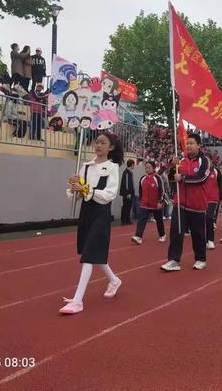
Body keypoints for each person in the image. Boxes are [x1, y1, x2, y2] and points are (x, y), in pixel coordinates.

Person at [60, 132, 124, 314]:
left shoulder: (112, 167)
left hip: (101, 213)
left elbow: (110, 194)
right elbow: (77, 193)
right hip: (86, 212)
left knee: (89, 255)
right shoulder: (86, 166)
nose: (98, 145)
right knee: (92, 251)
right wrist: (74, 188)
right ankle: (114, 280)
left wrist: (86, 189)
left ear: (110, 147)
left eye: (103, 143)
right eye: (97, 142)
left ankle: (78, 301)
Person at [161, 133, 210, 272]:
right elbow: (171, 178)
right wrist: (173, 166)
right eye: (187, 143)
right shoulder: (181, 160)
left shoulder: (204, 161)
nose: (188, 146)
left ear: (199, 145)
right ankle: (173, 260)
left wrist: (182, 178)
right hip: (180, 204)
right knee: (176, 232)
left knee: (198, 234)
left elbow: (201, 178)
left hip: (197, 205)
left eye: (191, 143)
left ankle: (201, 259)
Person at [131, 161, 165, 244]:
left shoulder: (157, 178)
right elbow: (140, 191)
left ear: (153, 168)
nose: (147, 169)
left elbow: (162, 191)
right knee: (141, 220)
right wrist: (141, 201)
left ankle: (162, 235)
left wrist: (160, 202)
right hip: (145, 204)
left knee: (159, 220)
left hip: (155, 204)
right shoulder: (143, 178)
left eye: (149, 167)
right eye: (146, 167)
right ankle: (138, 237)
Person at [204, 162, 222, 249]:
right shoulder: (202, 171)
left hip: (213, 199)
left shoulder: (217, 171)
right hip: (202, 198)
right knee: (202, 220)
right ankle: (204, 241)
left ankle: (210, 240)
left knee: (209, 218)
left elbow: (221, 185)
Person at [120, 159, 135, 225]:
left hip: (130, 193)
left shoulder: (130, 172)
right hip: (127, 194)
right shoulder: (126, 173)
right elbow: (126, 184)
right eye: (133, 164)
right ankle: (123, 220)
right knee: (125, 206)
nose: (134, 166)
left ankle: (127, 219)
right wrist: (128, 193)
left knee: (128, 207)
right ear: (131, 165)